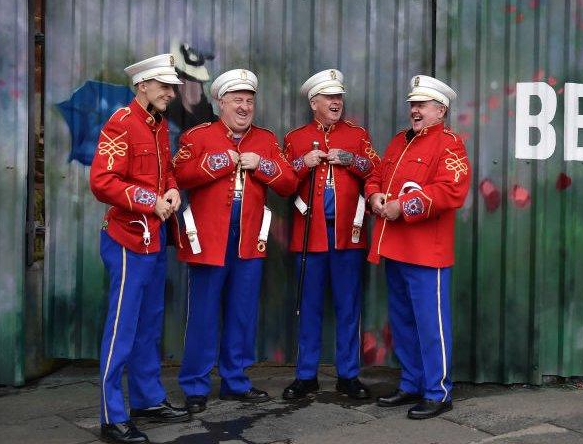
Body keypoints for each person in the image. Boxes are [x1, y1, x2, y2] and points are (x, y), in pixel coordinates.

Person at [173, 69, 298, 414]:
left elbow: (288, 183)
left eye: (249, 100)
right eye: (236, 100)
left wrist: (264, 165)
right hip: (208, 241)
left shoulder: (267, 140)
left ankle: (235, 382)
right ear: (220, 103)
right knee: (203, 314)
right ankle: (195, 385)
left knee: (242, 314)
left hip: (249, 240)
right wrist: (216, 161)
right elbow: (179, 174)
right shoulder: (197, 136)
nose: (244, 107)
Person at [89, 53, 189, 444]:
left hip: (154, 240)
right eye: (164, 86)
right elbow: (102, 181)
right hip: (127, 239)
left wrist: (173, 189)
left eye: (172, 86)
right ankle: (111, 415)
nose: (171, 92)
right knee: (121, 329)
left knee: (149, 326)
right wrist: (150, 201)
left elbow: (167, 172)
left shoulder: (158, 125)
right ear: (142, 85)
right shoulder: (122, 123)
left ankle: (147, 399)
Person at [366, 75, 470, 420]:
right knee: (403, 322)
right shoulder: (398, 141)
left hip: (427, 252)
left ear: (440, 109)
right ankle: (410, 382)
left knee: (431, 325)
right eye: (413, 104)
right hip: (394, 247)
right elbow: (377, 175)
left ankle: (438, 392)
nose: (415, 110)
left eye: (422, 105)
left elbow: (451, 191)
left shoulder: (451, 144)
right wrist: (375, 194)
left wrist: (404, 206)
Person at [281, 69, 380, 400]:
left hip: (347, 236)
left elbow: (376, 171)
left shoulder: (357, 135)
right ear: (314, 102)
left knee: (348, 306)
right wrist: (302, 163)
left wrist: (350, 159)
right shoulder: (295, 138)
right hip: (309, 237)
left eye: (339, 97)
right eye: (329, 98)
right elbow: (281, 184)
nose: (336, 103)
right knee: (308, 306)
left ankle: (348, 375)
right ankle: (306, 375)